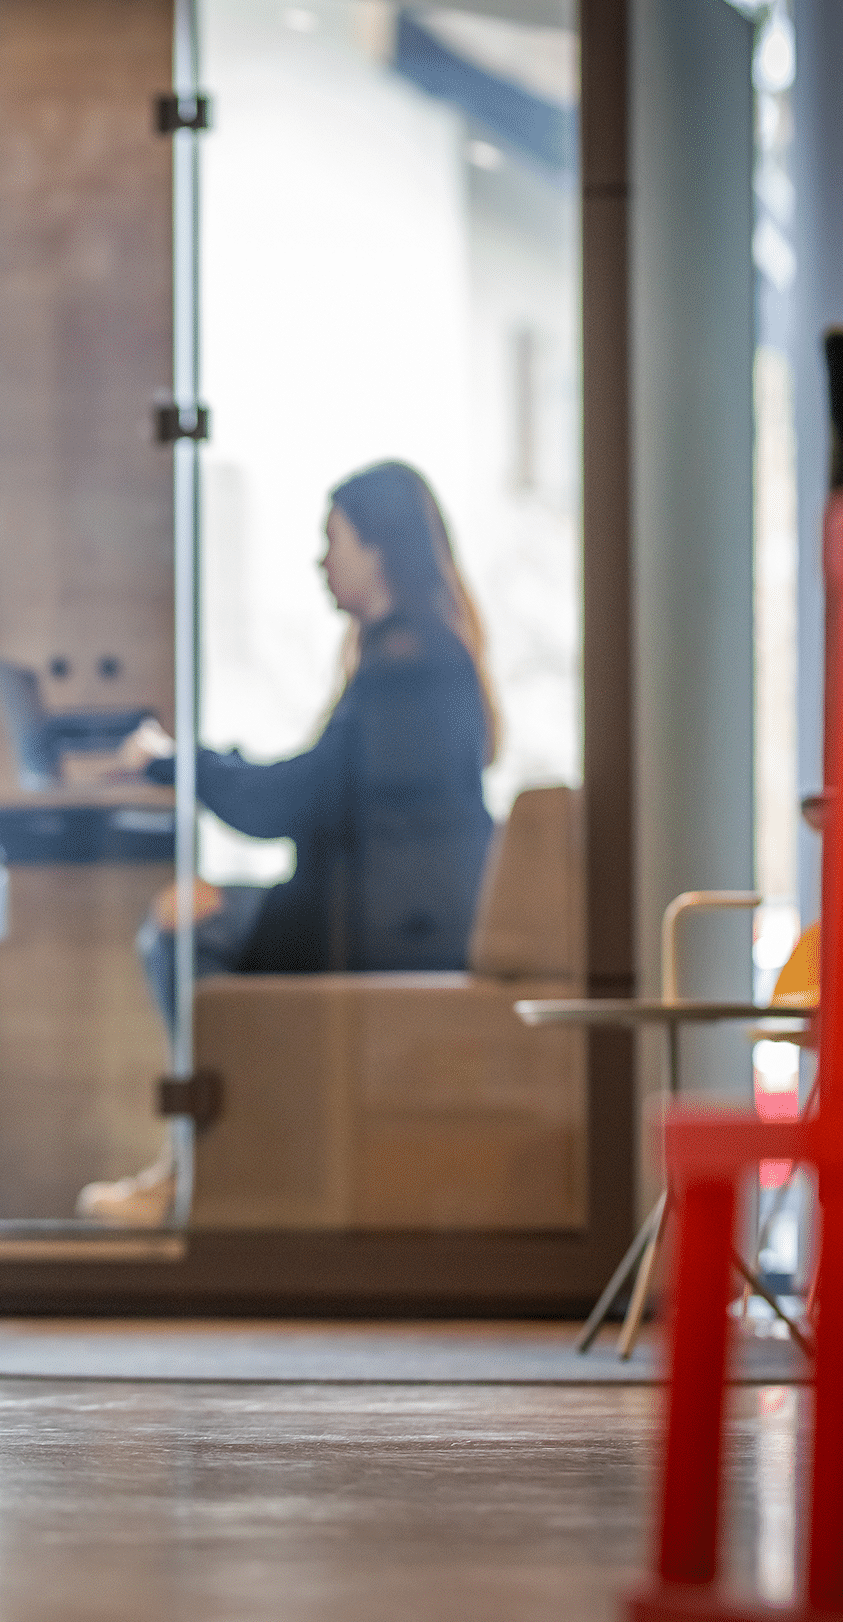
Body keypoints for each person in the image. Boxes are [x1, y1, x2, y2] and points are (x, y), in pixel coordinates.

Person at [79, 459, 500, 1225]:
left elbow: (289, 801)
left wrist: (173, 761)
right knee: (194, 914)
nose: (321, 560)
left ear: (378, 549)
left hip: (381, 928)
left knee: (177, 927)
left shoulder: (406, 665)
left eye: (332, 539)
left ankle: (200, 1164)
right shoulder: (431, 654)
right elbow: (318, 791)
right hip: (404, 913)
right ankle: (219, 1154)